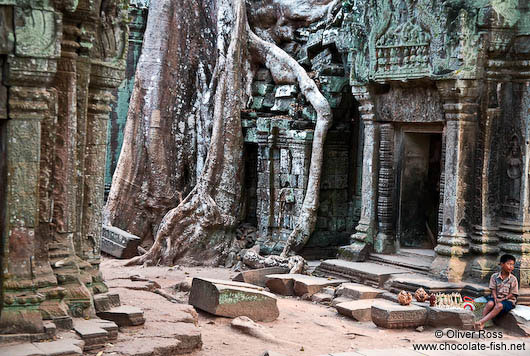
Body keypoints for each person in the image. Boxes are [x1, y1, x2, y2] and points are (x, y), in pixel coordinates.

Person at [474, 254, 519, 330]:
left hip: (508, 301)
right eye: (508, 264)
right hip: (496, 298)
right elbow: (493, 289)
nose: (511, 266)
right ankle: (482, 324)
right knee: (490, 303)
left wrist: (502, 299)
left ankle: (480, 322)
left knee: (499, 306)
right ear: (502, 264)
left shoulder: (513, 279)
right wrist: (495, 298)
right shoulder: (494, 276)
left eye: (512, 265)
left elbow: (513, 293)